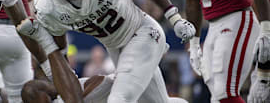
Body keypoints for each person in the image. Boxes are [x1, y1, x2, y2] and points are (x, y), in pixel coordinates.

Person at [17, 0, 195, 103]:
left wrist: (174, 18)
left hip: (143, 33)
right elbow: (61, 56)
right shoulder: (48, 6)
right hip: (115, 48)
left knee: (119, 99)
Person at [21, 44, 188, 103]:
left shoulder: (68, 90)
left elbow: (100, 80)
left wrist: (79, 95)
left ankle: (153, 48)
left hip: (129, 83)